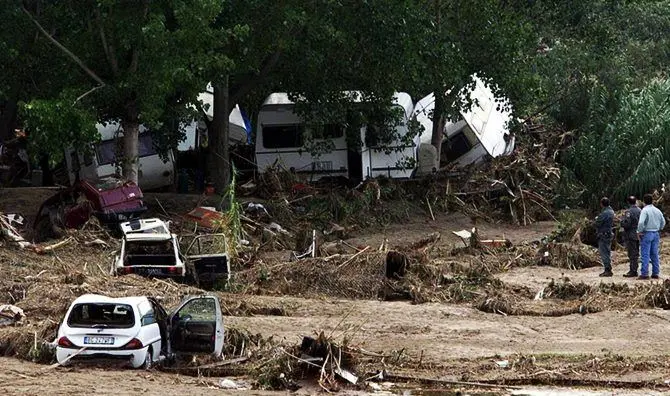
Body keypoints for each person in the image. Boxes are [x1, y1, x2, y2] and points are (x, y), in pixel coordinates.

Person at [637, 194, 666, 279]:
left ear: (643, 201)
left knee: (645, 254)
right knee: (655, 254)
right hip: (656, 233)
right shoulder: (657, 210)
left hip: (646, 233)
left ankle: (645, 273)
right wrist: (659, 228)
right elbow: (663, 222)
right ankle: (655, 273)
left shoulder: (644, 210)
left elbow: (641, 222)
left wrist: (639, 231)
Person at [621, 196, 641, 277]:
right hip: (638, 234)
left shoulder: (628, 212)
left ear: (628, 202)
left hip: (631, 234)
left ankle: (633, 271)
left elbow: (627, 224)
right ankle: (634, 269)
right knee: (636, 252)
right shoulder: (640, 210)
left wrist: (622, 222)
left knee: (632, 253)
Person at [595, 197, 615, 277]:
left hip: (603, 234)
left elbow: (597, 223)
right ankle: (608, 268)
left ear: (601, 204)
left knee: (604, 252)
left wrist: (596, 219)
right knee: (608, 251)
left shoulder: (604, 213)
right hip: (609, 233)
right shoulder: (611, 211)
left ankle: (607, 270)